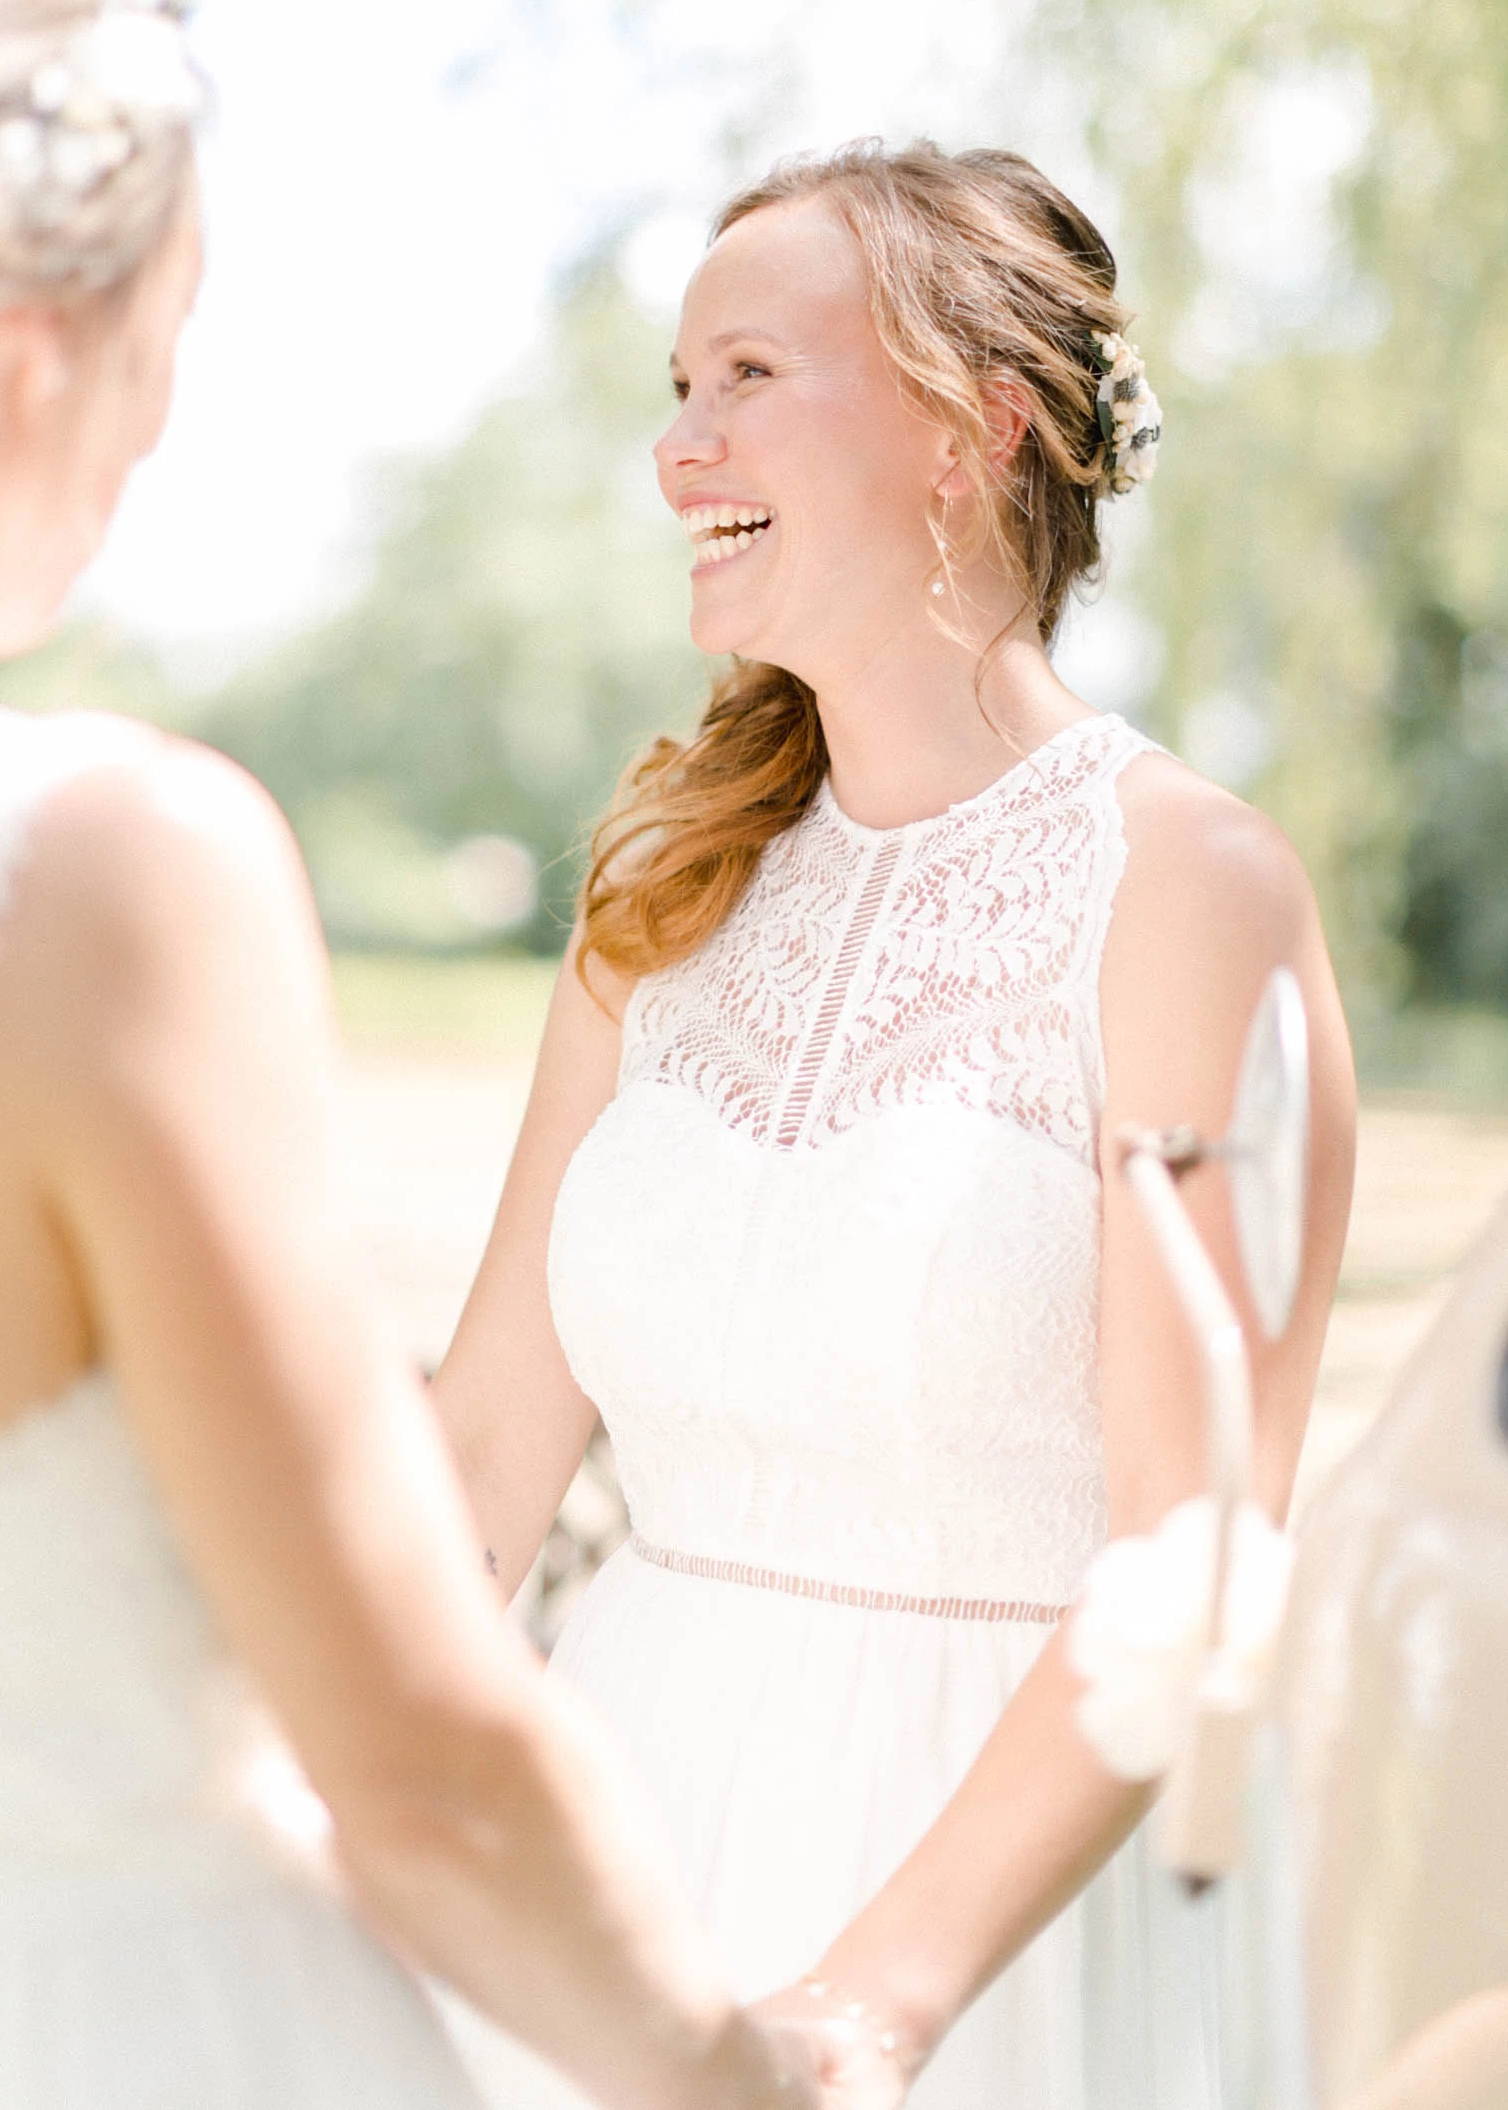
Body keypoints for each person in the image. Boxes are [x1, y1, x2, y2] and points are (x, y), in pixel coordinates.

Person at [0, 0, 816, 2110]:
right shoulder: (85, 875)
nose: (146, 458)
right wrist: (731, 2085)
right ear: (24, 353)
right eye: (166, 360)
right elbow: (417, 1761)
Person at [435, 142, 1356, 2107]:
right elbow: (486, 1459)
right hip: (617, 1869)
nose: (681, 452)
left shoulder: (1190, 888)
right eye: (674, 392)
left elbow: (1186, 1552)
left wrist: (872, 2004)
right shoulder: (656, 896)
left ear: (971, 429)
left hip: (985, 1936)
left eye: (746, 376)